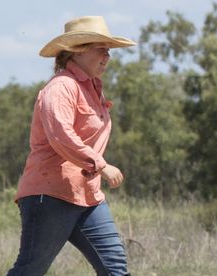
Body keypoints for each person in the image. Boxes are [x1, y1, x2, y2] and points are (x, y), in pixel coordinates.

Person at [8, 16, 135, 276]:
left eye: (109, 51)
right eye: (101, 49)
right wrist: (100, 165)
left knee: (115, 268)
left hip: (88, 195)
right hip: (51, 195)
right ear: (77, 50)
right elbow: (60, 135)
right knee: (30, 270)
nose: (107, 57)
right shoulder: (61, 87)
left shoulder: (91, 89)